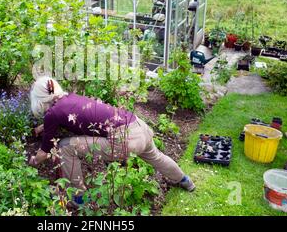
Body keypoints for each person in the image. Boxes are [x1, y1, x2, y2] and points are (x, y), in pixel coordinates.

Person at [28, 76, 195, 203]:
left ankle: (78, 198)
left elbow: (45, 151)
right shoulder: (70, 98)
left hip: (124, 140)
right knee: (156, 157)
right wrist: (43, 127)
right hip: (137, 126)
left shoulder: (53, 113)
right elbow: (70, 116)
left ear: (40, 99)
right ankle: (185, 181)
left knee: (65, 147)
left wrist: (34, 161)